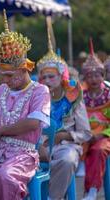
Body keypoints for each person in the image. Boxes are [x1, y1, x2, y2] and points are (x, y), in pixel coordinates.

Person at [0, 10, 51, 199]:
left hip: (23, 154)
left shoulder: (40, 91)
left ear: (23, 69)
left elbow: (34, 123)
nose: (4, 79)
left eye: (9, 75)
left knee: (6, 177)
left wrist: (0, 131)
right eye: (3, 74)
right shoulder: (2, 90)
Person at [37, 24, 91, 200]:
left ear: (62, 78)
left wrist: (64, 136)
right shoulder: (37, 99)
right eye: (43, 77)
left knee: (67, 160)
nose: (47, 80)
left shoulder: (74, 98)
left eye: (51, 76)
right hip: (40, 147)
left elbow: (85, 133)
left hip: (66, 147)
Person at [81, 39, 110, 200]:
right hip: (85, 134)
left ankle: (92, 189)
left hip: (105, 136)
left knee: (98, 150)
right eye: (89, 76)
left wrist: (102, 134)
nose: (93, 79)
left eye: (96, 75)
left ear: (102, 76)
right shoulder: (81, 96)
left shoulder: (109, 94)